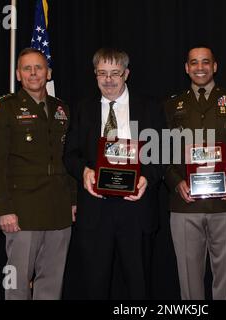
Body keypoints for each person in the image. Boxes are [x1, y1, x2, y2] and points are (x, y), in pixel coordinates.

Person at [63, 47, 164, 299]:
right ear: (95, 75)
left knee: (139, 286)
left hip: (136, 208)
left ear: (126, 74)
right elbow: (69, 155)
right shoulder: (82, 108)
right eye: (102, 73)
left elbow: (163, 153)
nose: (108, 80)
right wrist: (84, 172)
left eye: (115, 73)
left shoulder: (149, 107)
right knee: (94, 286)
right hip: (96, 210)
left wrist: (146, 179)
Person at [164, 46, 226, 300]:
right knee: (189, 283)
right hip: (185, 205)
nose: (200, 67)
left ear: (215, 66)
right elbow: (163, 151)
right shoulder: (172, 105)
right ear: (186, 68)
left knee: (225, 282)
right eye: (194, 62)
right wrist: (176, 183)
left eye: (205, 62)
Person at [0, 48, 75, 300]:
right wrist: (2, 208)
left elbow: (65, 158)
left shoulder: (61, 109)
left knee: (51, 284)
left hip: (58, 210)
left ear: (49, 73)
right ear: (18, 74)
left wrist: (73, 200)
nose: (34, 73)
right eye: (27, 68)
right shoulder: (4, 108)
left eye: (39, 67)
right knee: (17, 284)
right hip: (22, 211)